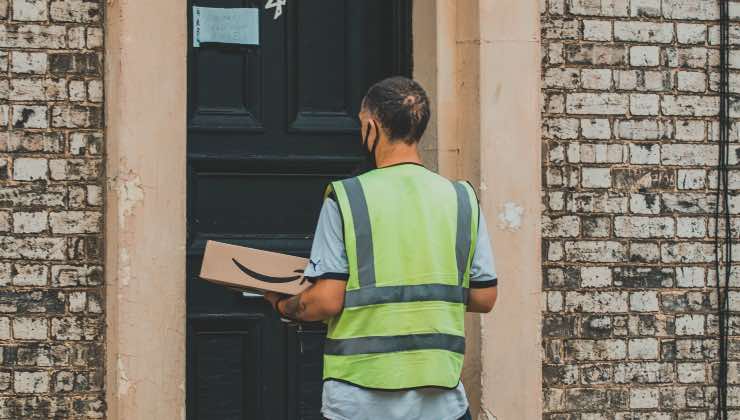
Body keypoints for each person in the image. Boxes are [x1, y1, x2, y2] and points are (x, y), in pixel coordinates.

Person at [265, 76, 498, 420]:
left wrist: (284, 305)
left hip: (360, 400)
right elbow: (484, 297)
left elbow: (326, 300)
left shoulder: (347, 197)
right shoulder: (461, 198)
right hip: (440, 401)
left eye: (362, 125)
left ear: (371, 126)